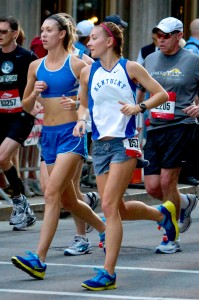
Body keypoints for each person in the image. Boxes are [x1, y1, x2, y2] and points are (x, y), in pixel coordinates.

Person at [73, 21, 178, 291]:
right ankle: (162, 215)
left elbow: (161, 94)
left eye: (94, 38)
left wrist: (138, 106)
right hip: (100, 145)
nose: (89, 43)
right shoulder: (88, 72)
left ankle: (108, 273)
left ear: (109, 41)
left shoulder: (130, 67)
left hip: (125, 143)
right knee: (117, 208)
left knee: (108, 206)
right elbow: (84, 104)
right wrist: (81, 120)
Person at [11, 13, 106, 279]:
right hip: (48, 136)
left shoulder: (79, 65)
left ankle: (38, 259)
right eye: (42, 30)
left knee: (51, 194)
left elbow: (95, 101)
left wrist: (78, 106)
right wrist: (35, 93)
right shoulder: (35, 66)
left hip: (71, 134)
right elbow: (26, 106)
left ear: (62, 34)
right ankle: (103, 228)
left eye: (49, 30)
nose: (43, 34)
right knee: (66, 198)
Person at [137, 17, 199, 254]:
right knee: (152, 187)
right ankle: (184, 202)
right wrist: (136, 114)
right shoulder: (150, 58)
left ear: (178, 35)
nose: (160, 40)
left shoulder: (193, 60)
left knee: (166, 181)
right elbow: (141, 90)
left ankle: (170, 237)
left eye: (166, 35)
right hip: (154, 126)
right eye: (158, 35)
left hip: (181, 126)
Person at [0, 16, 37, 230]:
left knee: (3, 157)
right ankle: (23, 205)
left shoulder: (27, 58)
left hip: (21, 115)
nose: (0, 35)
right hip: (1, 116)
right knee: (5, 161)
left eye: (4, 31)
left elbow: (38, 85)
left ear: (14, 34)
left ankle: (19, 203)